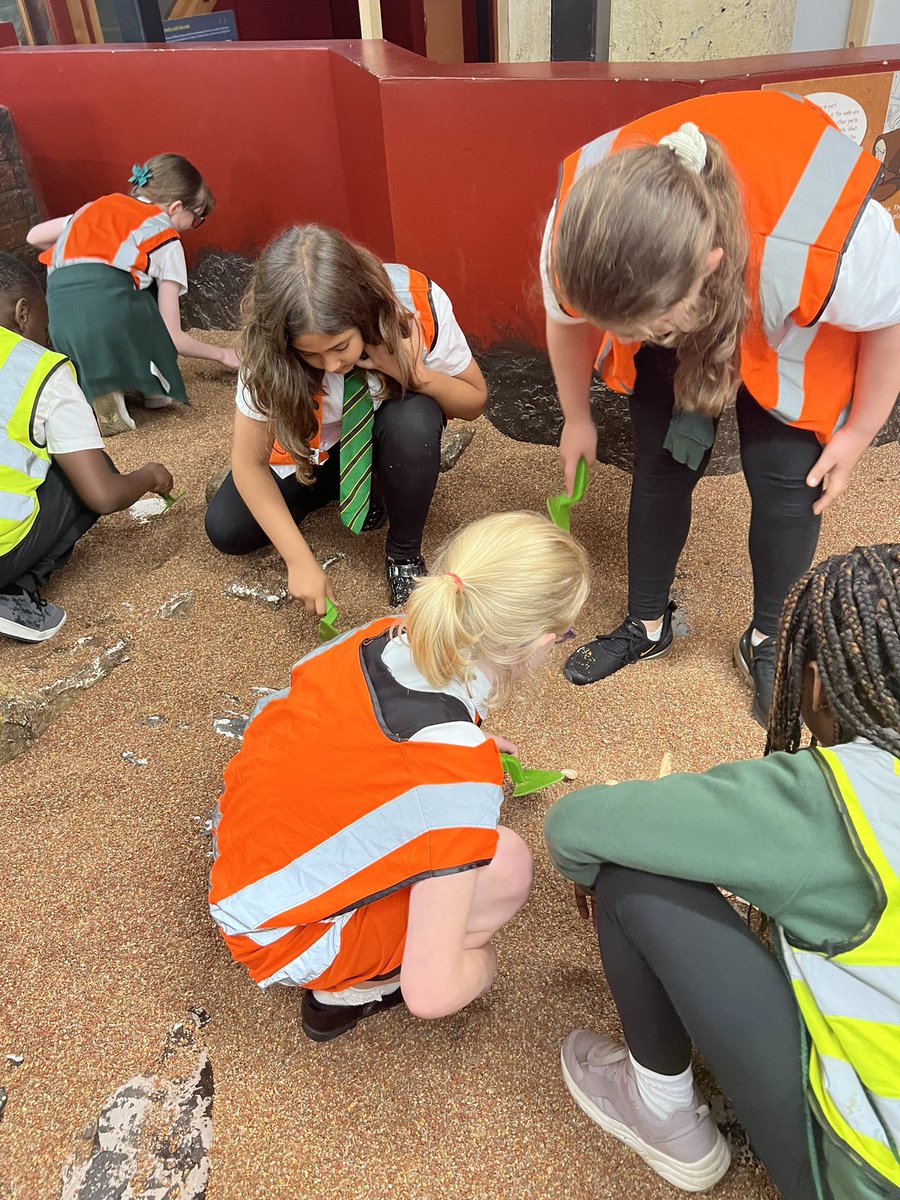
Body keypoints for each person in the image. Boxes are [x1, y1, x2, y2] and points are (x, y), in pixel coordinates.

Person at [544, 543, 900, 1200]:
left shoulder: (839, 798)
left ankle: (661, 1109)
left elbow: (573, 828)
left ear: (816, 686)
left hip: (862, 1175)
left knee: (633, 875)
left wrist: (607, 852)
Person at [542, 89, 900, 725]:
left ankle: (767, 639)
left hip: (783, 295)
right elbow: (568, 321)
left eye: (645, 327)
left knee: (790, 485)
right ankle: (646, 623)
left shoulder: (832, 247)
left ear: (707, 270)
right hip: (675, 276)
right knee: (659, 469)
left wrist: (858, 434)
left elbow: (891, 321)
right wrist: (577, 414)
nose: (625, 341)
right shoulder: (582, 225)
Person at [209, 510, 589, 1042]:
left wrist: (468, 741)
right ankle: (351, 988)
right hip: (284, 935)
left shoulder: (379, 634)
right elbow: (430, 995)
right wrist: (485, 966)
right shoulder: (458, 770)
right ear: (542, 643)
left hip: (244, 859)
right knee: (506, 867)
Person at [204, 224, 487, 609]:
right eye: (312, 355)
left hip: (387, 436)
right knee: (228, 530)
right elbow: (248, 463)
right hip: (313, 450)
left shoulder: (416, 302)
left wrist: (414, 375)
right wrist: (299, 560)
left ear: (363, 313)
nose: (333, 364)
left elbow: (473, 402)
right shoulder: (266, 348)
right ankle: (349, 488)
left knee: (415, 417)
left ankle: (403, 554)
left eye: (341, 346)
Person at [0, 253, 173, 642]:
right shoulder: (40, 367)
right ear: (24, 312)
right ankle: (16, 591)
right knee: (89, 471)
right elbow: (103, 496)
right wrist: (148, 475)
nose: (48, 333)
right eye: (45, 320)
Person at [26, 154, 239, 438]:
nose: (194, 224)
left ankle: (104, 387)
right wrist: (223, 354)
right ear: (176, 208)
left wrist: (79, 235)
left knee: (125, 284)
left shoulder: (95, 208)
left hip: (61, 326)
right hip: (111, 316)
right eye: (197, 217)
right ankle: (154, 386)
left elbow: (34, 236)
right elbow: (174, 336)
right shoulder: (166, 238)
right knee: (145, 296)